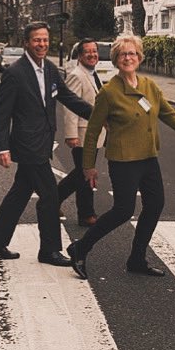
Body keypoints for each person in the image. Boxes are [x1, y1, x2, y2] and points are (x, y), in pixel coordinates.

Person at [66, 35, 175, 280]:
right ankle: (81, 247)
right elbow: (94, 131)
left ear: (139, 58)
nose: (128, 58)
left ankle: (137, 258)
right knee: (123, 210)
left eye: (132, 54)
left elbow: (172, 116)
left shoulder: (150, 87)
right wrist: (88, 166)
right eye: (122, 54)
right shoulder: (109, 93)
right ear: (116, 60)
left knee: (155, 205)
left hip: (148, 159)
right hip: (123, 161)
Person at [0, 21, 92, 266]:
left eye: (44, 40)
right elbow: (1, 113)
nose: (42, 44)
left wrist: (97, 115)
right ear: (26, 43)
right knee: (50, 196)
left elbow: (68, 98)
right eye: (36, 40)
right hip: (27, 144)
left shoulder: (50, 70)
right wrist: (2, 147)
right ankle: (49, 250)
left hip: (43, 141)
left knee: (20, 192)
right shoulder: (15, 73)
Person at [56, 38, 104, 227]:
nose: (92, 55)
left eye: (95, 51)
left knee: (81, 173)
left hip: (93, 134)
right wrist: (71, 134)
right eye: (88, 52)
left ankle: (54, 201)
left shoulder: (92, 73)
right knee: (84, 174)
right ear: (80, 55)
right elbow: (70, 107)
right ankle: (86, 214)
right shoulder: (77, 74)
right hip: (83, 133)